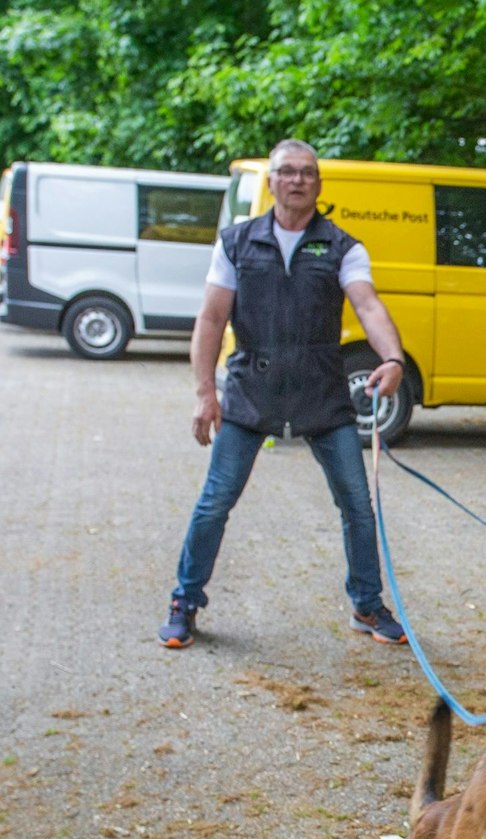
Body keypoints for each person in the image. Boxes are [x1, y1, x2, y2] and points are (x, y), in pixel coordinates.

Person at [159, 139, 410, 649]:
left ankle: (366, 604)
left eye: (307, 172)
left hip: (323, 395)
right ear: (271, 181)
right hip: (252, 393)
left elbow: (368, 306)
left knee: (358, 507)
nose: (297, 180)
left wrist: (393, 358)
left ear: (318, 183)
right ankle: (184, 601)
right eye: (287, 172)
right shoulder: (236, 242)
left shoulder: (343, 246)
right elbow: (210, 319)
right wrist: (205, 393)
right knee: (214, 504)